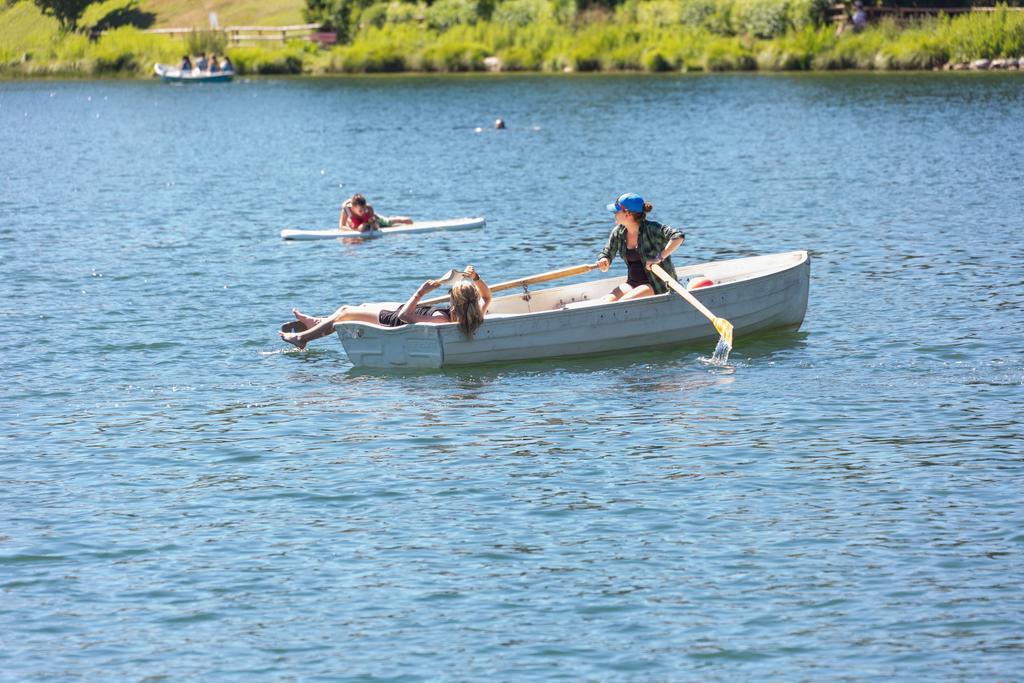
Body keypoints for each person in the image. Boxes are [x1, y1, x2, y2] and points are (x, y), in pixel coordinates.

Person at [280, 266, 492, 350]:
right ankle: (317, 324)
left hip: (394, 319)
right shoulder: (476, 312)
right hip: (409, 310)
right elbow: (486, 295)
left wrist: (421, 292)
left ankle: (303, 338)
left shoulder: (443, 320)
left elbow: (406, 316)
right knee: (361, 306)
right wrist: (476, 278)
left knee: (345, 311)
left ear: (455, 301)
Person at [595, 193, 685, 301]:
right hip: (632, 283)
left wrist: (659, 257)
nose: (614, 214)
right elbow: (607, 253)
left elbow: (678, 236)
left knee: (624, 302)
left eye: (616, 211)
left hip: (657, 284)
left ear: (627, 213)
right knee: (604, 301)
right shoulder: (618, 232)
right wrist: (604, 260)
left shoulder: (651, 228)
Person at [339, 193, 413, 232]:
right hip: (357, 223)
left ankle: (397, 219)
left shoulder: (368, 208)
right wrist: (355, 230)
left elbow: (377, 227)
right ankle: (351, 223)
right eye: (360, 211)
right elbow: (341, 227)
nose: (363, 212)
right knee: (357, 226)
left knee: (390, 223)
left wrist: (371, 224)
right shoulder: (347, 210)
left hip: (372, 220)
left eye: (364, 210)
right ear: (353, 207)